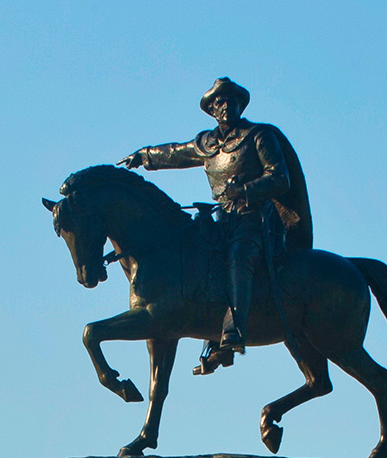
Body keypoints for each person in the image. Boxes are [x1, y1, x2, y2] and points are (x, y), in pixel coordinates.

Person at [121, 78, 312, 370]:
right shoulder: (208, 144)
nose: (226, 107)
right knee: (197, 260)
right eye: (219, 103)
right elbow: (175, 152)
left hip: (255, 218)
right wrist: (145, 155)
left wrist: (246, 190)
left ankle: (234, 330)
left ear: (240, 105)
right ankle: (212, 341)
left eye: (231, 101)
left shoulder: (258, 136)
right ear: (212, 110)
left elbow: (280, 178)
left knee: (239, 257)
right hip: (223, 218)